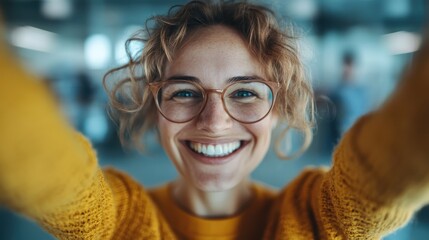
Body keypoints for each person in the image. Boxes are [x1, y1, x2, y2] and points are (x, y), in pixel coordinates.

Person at [0, 1, 428, 239]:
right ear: (156, 106)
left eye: (244, 93)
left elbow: (386, 170)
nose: (214, 121)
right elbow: (49, 169)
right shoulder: (117, 222)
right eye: (185, 92)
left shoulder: (320, 220)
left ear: (277, 108)